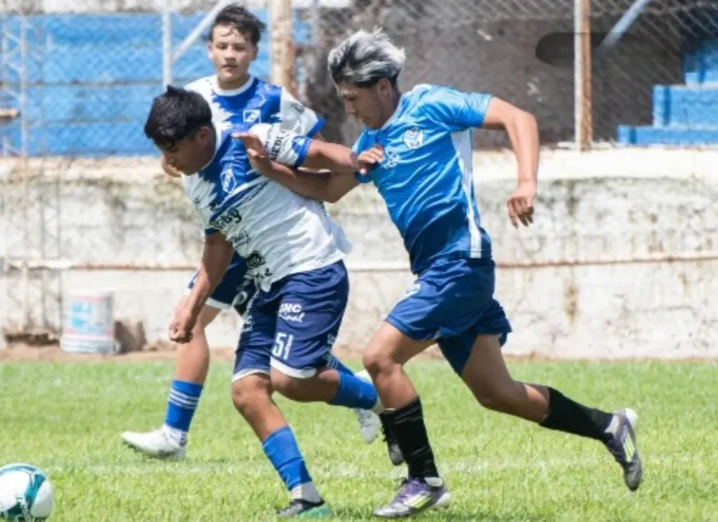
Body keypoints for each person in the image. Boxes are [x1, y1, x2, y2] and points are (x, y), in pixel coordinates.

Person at [234, 27, 643, 519]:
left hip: (461, 263)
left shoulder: (431, 105)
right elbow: (328, 189)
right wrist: (269, 169)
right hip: (438, 273)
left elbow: (519, 117)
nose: (349, 108)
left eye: (353, 97)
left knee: (380, 357)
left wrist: (527, 181)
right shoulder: (369, 143)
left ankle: (423, 479)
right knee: (497, 394)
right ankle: (608, 425)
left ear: (383, 86)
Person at [120, 4, 383, 462]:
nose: (229, 54)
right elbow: (176, 160)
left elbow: (310, 148)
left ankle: (361, 395)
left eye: (238, 47)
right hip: (230, 233)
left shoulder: (273, 101)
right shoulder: (194, 97)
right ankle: (175, 433)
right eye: (221, 45)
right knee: (222, 332)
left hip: (270, 241)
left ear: (254, 52)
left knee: (274, 356)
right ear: (209, 49)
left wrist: (317, 186)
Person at [141, 84, 398, 517]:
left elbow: (317, 152)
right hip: (270, 283)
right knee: (247, 391)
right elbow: (218, 244)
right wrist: (191, 303)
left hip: (311, 267)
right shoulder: (194, 184)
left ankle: (378, 401)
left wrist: (356, 160)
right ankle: (306, 497)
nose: (168, 158)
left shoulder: (252, 139)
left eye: (173, 147)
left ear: (202, 136)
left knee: (291, 380)